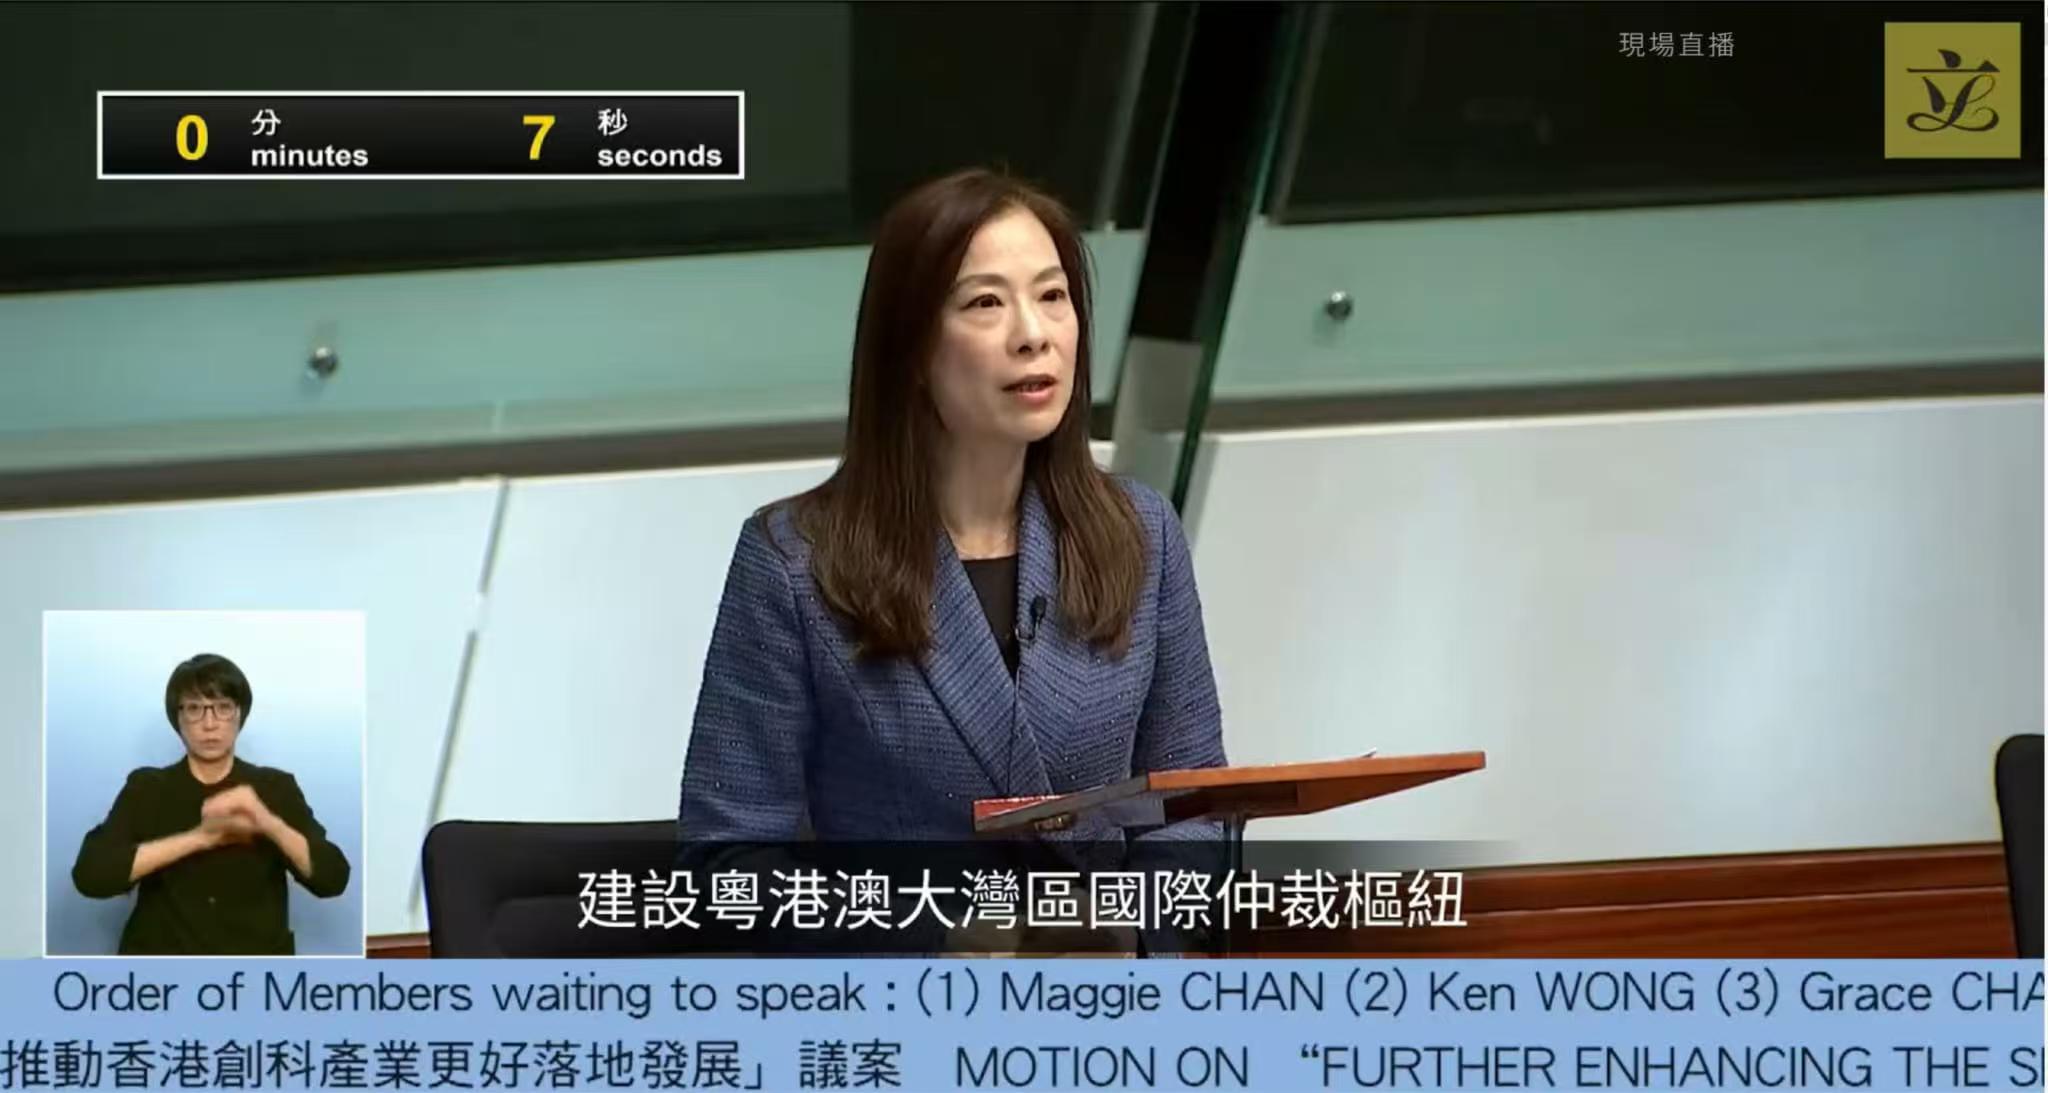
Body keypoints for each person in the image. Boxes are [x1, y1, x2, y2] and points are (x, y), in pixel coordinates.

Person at [677, 168, 1227, 950]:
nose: (1033, 333)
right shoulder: (795, 562)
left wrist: (1125, 929)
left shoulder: (1140, 531)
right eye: (985, 303)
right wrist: (943, 934)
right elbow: (727, 862)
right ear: (910, 347)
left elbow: (1195, 810)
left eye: (1053, 296)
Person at [72, 653, 350, 955]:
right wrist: (200, 838)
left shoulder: (275, 787)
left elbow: (333, 879)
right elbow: (90, 876)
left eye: (223, 708)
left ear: (240, 714)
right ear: (177, 718)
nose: (209, 723)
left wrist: (267, 822)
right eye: (194, 709)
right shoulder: (147, 787)